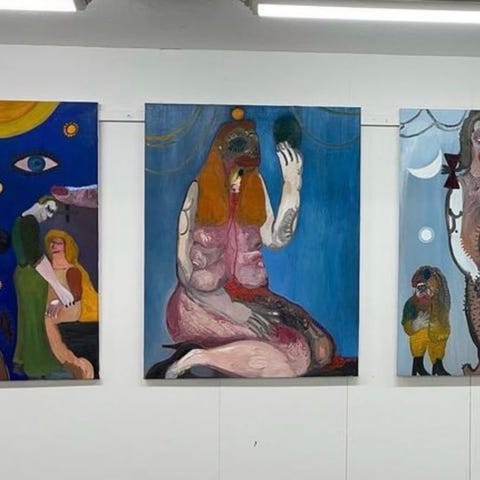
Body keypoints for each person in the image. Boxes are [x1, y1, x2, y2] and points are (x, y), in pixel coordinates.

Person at [147, 108, 335, 379]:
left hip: (252, 296)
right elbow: (184, 269)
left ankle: (219, 357)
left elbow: (276, 239)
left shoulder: (255, 187)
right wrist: (231, 309)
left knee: (320, 349)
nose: (240, 172)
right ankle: (193, 358)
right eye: (236, 158)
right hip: (201, 302)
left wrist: (292, 184)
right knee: (292, 360)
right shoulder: (197, 192)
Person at [12, 196, 74, 378]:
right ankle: (39, 365)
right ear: (40, 204)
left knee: (26, 317)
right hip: (32, 277)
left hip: (23, 275)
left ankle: (22, 361)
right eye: (49, 210)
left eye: (52, 213)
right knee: (36, 319)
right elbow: (36, 259)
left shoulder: (19, 221)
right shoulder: (30, 222)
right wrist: (59, 288)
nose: (49, 216)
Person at [446, 110, 480, 375]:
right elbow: (455, 235)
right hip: (477, 274)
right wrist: (474, 272)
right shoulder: (460, 184)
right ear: (470, 139)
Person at [43, 229, 98, 379]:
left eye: (58, 243)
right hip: (53, 308)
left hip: (69, 308)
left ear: (67, 247)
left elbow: (76, 295)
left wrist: (59, 302)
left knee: (48, 321)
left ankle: (70, 361)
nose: (54, 246)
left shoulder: (72, 270)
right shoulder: (49, 270)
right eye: (52, 243)